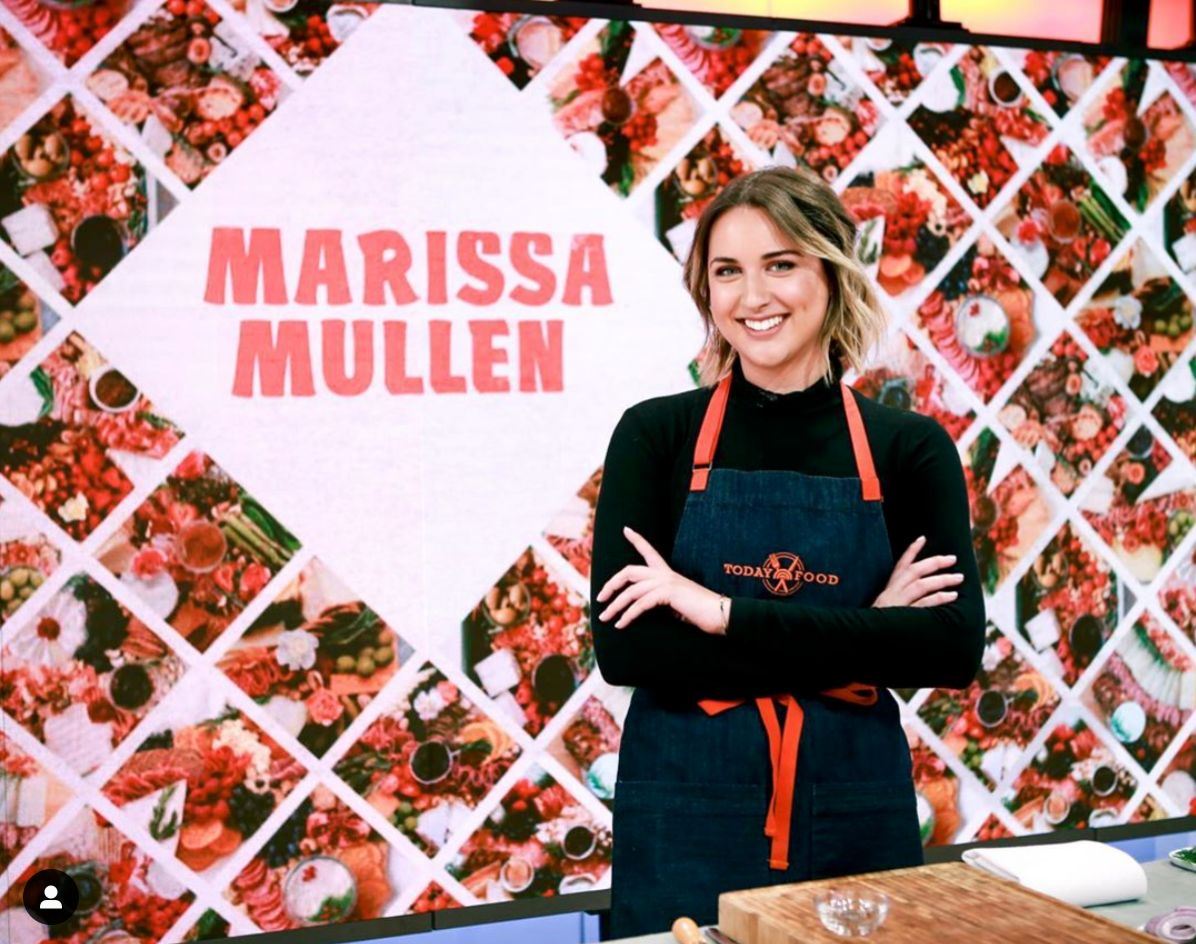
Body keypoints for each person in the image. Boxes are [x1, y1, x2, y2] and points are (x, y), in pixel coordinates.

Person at [591, 166, 985, 937]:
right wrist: (868, 632)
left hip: (856, 806)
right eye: (727, 272)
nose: (753, 296)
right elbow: (629, 650)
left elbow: (949, 649)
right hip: (684, 809)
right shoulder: (656, 436)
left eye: (781, 264)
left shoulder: (909, 449)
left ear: (832, 271)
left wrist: (716, 613)